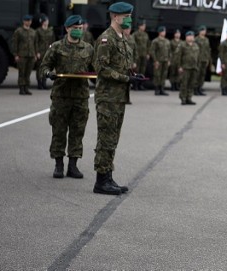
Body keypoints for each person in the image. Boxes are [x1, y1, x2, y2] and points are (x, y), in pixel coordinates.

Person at [93, 2, 144, 195]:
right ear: (115, 17)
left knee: (113, 138)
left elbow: (122, 65)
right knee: (105, 138)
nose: (130, 19)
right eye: (126, 16)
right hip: (107, 98)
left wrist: (133, 75)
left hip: (119, 97)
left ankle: (108, 176)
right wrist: (125, 78)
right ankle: (100, 181)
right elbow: (102, 69)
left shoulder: (122, 39)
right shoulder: (107, 39)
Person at [40, 15, 94, 179]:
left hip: (80, 96)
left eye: (80, 28)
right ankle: (58, 165)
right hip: (61, 96)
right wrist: (49, 74)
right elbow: (44, 66)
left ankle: (73, 165)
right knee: (59, 131)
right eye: (74, 29)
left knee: (78, 132)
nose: (78, 31)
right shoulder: (56, 47)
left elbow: (95, 68)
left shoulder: (88, 48)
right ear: (67, 29)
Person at [11, 14, 38, 95]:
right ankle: (21, 88)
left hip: (31, 55)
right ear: (24, 21)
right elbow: (15, 43)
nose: (29, 22)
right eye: (27, 20)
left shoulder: (33, 32)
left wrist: (36, 54)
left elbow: (35, 44)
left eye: (30, 21)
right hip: (22, 55)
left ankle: (26, 88)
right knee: (22, 72)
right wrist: (15, 54)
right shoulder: (19, 31)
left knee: (28, 72)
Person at [174, 31, 200, 105]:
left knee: (191, 84)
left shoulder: (196, 45)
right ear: (186, 37)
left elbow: (198, 57)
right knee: (184, 84)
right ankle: (183, 98)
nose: (191, 37)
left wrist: (197, 66)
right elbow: (178, 57)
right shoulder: (182, 45)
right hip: (185, 67)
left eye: (192, 36)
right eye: (189, 36)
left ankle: (189, 98)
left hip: (194, 67)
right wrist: (179, 66)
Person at [150, 26, 171, 96]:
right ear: (160, 32)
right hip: (158, 61)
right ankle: (156, 89)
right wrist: (155, 60)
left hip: (165, 61)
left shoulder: (167, 41)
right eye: (163, 31)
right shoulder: (155, 41)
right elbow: (152, 51)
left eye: (164, 31)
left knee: (164, 75)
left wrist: (169, 60)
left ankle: (162, 89)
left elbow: (169, 51)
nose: (164, 33)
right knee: (157, 75)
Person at [36, 14, 55, 90]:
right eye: (45, 21)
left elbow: (53, 41)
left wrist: (52, 50)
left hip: (48, 52)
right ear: (42, 22)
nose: (46, 22)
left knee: (46, 67)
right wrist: (37, 52)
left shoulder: (50, 31)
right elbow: (36, 42)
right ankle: (39, 83)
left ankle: (44, 83)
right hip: (41, 52)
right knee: (39, 68)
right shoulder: (38, 31)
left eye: (47, 21)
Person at [133, 20, 150, 90]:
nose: (144, 27)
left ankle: (141, 85)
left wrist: (148, 53)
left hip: (144, 55)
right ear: (139, 26)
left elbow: (148, 45)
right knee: (137, 70)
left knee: (142, 70)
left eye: (144, 26)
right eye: (143, 26)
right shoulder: (135, 34)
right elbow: (133, 45)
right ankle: (135, 85)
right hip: (138, 55)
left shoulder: (146, 35)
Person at [194, 25, 211, 96]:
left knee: (202, 75)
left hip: (204, 59)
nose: (204, 32)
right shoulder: (196, 39)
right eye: (202, 30)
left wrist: (208, 59)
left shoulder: (206, 40)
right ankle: (195, 89)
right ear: (199, 31)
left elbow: (208, 50)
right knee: (197, 75)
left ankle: (199, 88)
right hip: (198, 59)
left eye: (204, 30)